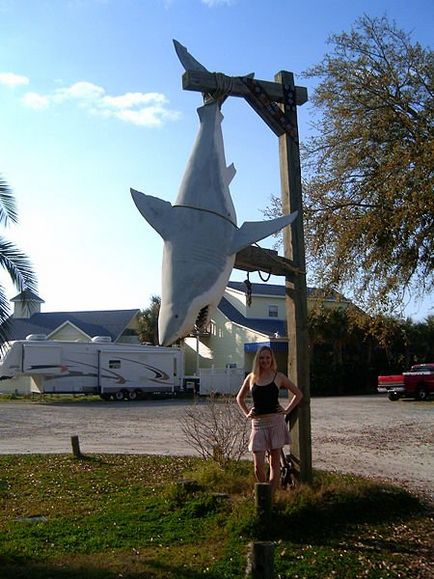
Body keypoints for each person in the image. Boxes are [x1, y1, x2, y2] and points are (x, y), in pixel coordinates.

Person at [236, 345, 303, 493]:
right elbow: (239, 398)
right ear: (257, 360)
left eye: (267, 357)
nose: (264, 360)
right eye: (261, 358)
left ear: (271, 358)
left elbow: (298, 394)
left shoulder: (278, 376)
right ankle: (264, 490)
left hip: (276, 423)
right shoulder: (251, 377)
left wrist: (286, 410)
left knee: (274, 463)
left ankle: (271, 496)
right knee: (258, 466)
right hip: (258, 425)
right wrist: (247, 413)